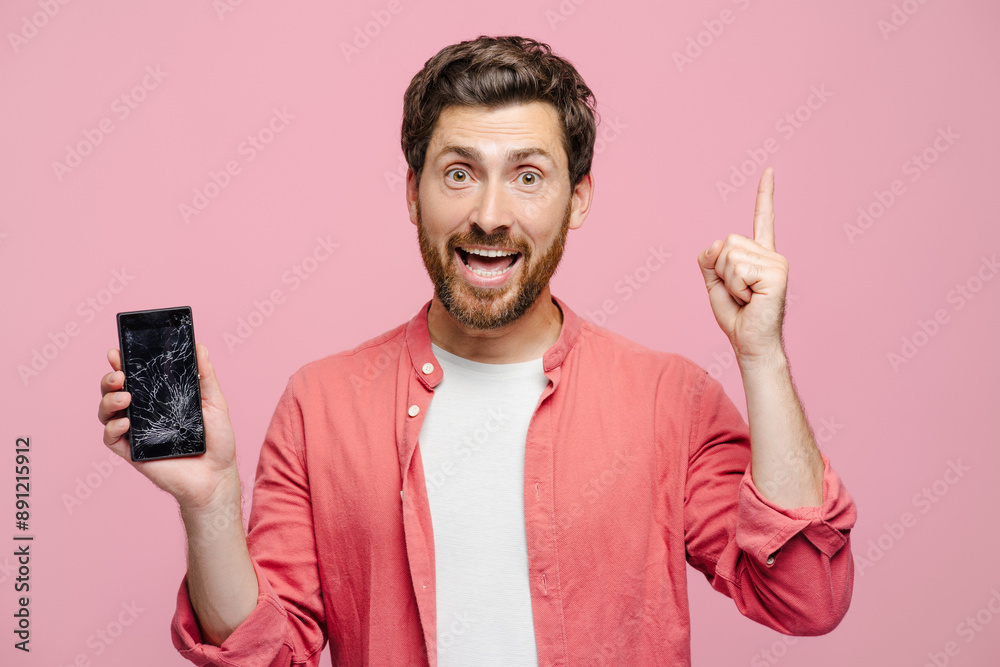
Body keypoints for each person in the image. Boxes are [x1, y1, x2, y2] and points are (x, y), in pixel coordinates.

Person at [97, 35, 856, 666]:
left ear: (578, 198)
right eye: (459, 173)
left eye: (528, 176)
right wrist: (212, 502)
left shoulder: (672, 399)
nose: (490, 214)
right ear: (413, 191)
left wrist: (763, 357)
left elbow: (806, 595)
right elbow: (263, 655)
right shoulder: (320, 404)